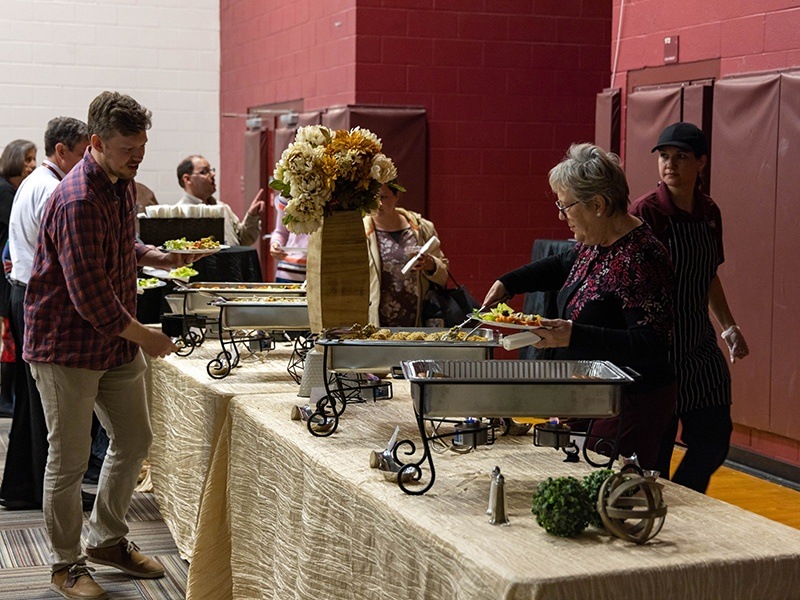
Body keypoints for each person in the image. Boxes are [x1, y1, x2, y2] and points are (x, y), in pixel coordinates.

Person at [23, 91, 203, 599]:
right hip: (67, 348)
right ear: (97, 143)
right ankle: (65, 564)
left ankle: (107, 540)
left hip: (113, 344)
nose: (139, 156)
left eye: (143, 145)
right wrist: (148, 337)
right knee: (69, 460)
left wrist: (154, 256)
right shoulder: (76, 197)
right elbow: (92, 301)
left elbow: (119, 246)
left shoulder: (120, 182)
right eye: (129, 148)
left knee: (134, 440)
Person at [483, 143, 676, 470]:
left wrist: (573, 334)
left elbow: (651, 343)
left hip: (630, 402)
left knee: (600, 489)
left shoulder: (642, 257)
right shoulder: (596, 242)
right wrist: (509, 282)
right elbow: (562, 264)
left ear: (598, 204)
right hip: (592, 395)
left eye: (566, 205)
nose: (561, 215)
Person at [630, 122, 750, 493]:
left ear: (701, 163)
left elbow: (708, 274)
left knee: (713, 441)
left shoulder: (710, 212)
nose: (670, 164)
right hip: (658, 352)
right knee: (655, 458)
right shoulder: (645, 213)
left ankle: (687, 499)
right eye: (664, 157)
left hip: (698, 348)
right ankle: (661, 516)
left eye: (681, 157)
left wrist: (729, 327)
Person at [0, 118, 96, 513]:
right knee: (49, 403)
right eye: (81, 153)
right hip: (38, 299)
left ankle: (21, 485)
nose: (86, 161)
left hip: (20, 293)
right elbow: (61, 253)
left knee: (30, 400)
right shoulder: (54, 188)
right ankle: (52, 490)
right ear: (62, 151)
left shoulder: (32, 182)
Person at [364, 180, 448, 326]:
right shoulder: (362, 231)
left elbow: (444, 275)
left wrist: (431, 265)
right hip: (377, 322)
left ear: (397, 196)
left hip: (417, 319)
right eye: (373, 198)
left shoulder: (421, 228)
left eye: (383, 197)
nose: (377, 203)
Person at [0, 139, 37, 418]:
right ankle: (5, 398)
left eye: (34, 158)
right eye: (27, 159)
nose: (32, 165)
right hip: (6, 276)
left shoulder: (15, 190)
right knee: (8, 342)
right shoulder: (5, 192)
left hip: (10, 274)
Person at [176, 154, 265, 246]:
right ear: (187, 179)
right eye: (204, 171)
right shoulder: (180, 214)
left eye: (211, 170)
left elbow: (243, 240)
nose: (213, 174)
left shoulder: (222, 207)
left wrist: (252, 216)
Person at [269, 193, 308, 283]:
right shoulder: (288, 191)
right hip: (289, 272)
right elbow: (281, 231)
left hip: (328, 271)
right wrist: (275, 244)